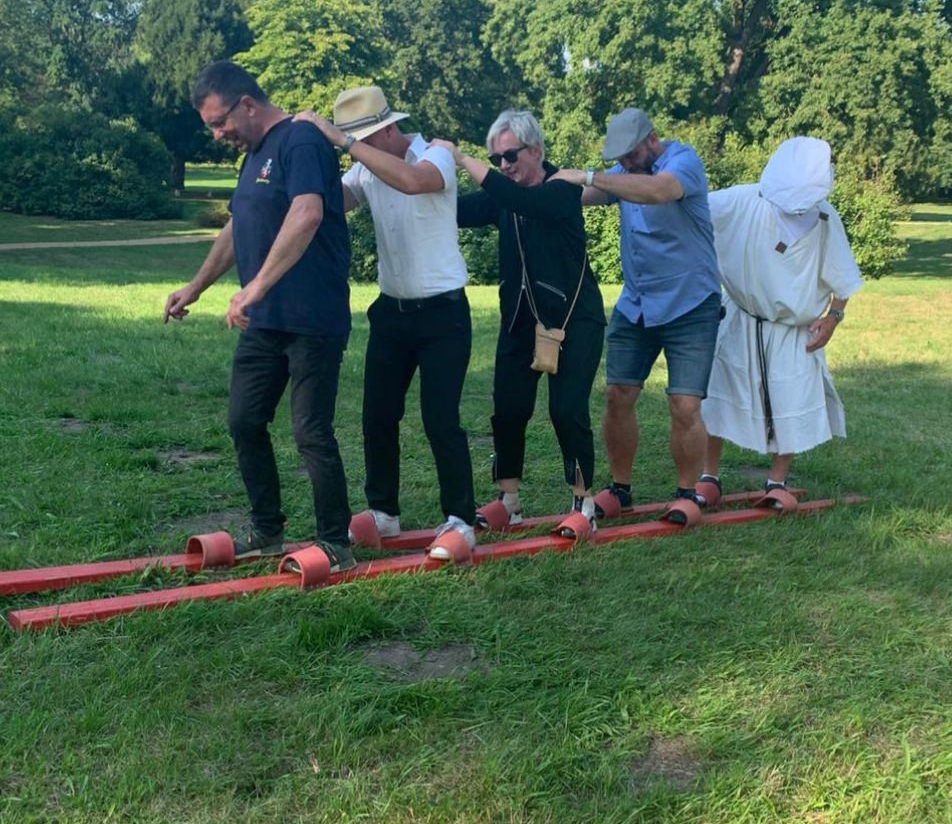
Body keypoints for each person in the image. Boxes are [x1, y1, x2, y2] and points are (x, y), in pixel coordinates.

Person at [163, 60, 355, 571]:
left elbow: (307, 213)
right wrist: (196, 287)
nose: (217, 134)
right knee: (244, 421)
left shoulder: (302, 141)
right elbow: (238, 226)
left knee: (310, 431)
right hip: (263, 320)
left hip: (312, 318)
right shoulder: (253, 155)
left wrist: (255, 286)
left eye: (219, 122)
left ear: (246, 103)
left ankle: (335, 542)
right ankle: (268, 529)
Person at [293, 86, 477, 560]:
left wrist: (345, 142)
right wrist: (298, 161)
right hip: (391, 313)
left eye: (363, 140)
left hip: (443, 314)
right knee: (377, 416)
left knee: (440, 419)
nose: (358, 149)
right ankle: (383, 511)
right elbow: (330, 202)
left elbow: (414, 182)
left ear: (387, 130)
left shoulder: (435, 155)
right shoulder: (365, 166)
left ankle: (460, 518)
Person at [438, 109, 605, 528]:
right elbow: (455, 211)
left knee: (567, 410)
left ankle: (583, 504)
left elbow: (526, 203)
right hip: (519, 321)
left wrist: (462, 159)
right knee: (508, 409)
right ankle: (508, 500)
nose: (503, 165)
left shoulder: (562, 187)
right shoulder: (504, 194)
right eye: (495, 159)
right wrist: (415, 185)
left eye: (510, 155)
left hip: (574, 318)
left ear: (536, 150)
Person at [552, 107, 721, 516]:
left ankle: (687, 494)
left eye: (630, 154)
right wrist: (539, 182)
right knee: (618, 395)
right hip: (637, 305)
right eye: (619, 158)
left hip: (691, 304)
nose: (625, 163)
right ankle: (620, 489)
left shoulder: (683, 161)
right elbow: (582, 194)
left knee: (684, 405)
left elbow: (658, 191)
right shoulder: (624, 173)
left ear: (652, 139)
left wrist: (588, 175)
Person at [700, 136, 864, 499]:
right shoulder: (741, 200)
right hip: (742, 320)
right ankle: (708, 476)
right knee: (720, 395)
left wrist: (834, 317)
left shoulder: (826, 219)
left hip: (794, 330)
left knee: (790, 400)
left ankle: (777, 481)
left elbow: (843, 276)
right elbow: (693, 210)